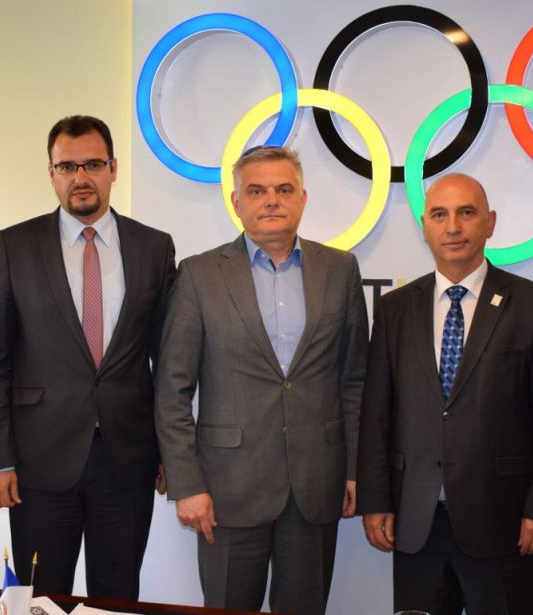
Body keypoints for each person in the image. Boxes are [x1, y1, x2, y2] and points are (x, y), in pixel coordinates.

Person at [154, 146, 368, 614]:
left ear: (303, 198)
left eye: (283, 189)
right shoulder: (199, 275)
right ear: (236, 202)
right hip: (227, 491)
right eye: (257, 191)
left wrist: (355, 468)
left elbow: (354, 380)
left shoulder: (340, 270)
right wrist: (187, 483)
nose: (271, 200)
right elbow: (172, 390)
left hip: (316, 485)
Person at [0, 115, 175, 599]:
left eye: (91, 164)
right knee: (41, 597)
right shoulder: (14, 245)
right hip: (38, 462)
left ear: (113, 168)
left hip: (127, 459)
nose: (80, 177)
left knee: (117, 596)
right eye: (67, 166)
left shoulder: (154, 246)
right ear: (51, 173)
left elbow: (169, 361)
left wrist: (171, 452)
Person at [357, 173, 533, 615]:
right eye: (440, 214)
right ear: (425, 226)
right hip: (416, 522)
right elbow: (376, 413)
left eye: (466, 213)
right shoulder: (395, 310)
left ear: (489, 223)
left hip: (507, 523)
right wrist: (376, 499)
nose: (453, 226)